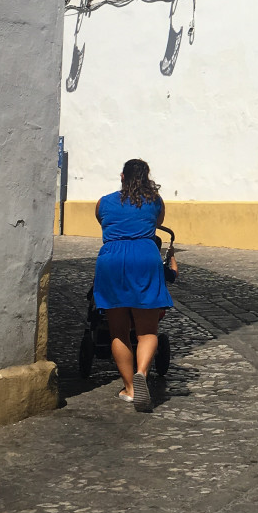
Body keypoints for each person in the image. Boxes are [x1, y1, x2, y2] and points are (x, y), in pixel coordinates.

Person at [93, 158, 171, 412]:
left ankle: (129, 388)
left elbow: (102, 221)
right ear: (147, 177)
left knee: (118, 331)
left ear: (122, 176)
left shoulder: (104, 202)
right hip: (145, 257)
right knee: (147, 331)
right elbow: (157, 224)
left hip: (112, 259)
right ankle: (141, 372)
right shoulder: (155, 201)